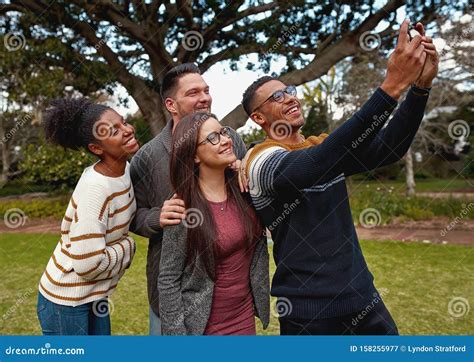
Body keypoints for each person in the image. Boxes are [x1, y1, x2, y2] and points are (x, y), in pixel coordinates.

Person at [240, 20, 439, 335]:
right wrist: (391, 86)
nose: (290, 98)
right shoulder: (258, 162)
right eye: (277, 97)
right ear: (258, 118)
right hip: (309, 312)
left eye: (289, 90)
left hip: (363, 297)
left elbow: (390, 148)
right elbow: (313, 165)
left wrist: (420, 87)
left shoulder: (321, 146)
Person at [129, 63, 247, 335]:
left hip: (231, 294)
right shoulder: (147, 156)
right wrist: (155, 217)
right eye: (193, 93)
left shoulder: (230, 139)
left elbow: (246, 194)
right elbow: (130, 214)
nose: (204, 98)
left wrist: (248, 167)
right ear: (171, 104)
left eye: (206, 90)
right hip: (173, 293)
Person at [157, 112, 269, 335]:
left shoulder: (244, 189)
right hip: (203, 326)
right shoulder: (182, 207)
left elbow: (277, 157)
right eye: (212, 138)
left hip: (244, 319)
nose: (226, 140)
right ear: (194, 156)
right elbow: (168, 278)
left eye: (223, 132)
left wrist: (247, 163)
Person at [37, 98, 139, 335]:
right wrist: (128, 246)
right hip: (66, 301)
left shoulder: (124, 171)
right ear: (96, 148)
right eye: (114, 131)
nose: (127, 130)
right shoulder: (96, 189)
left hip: (94, 295)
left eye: (123, 122)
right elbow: (88, 264)